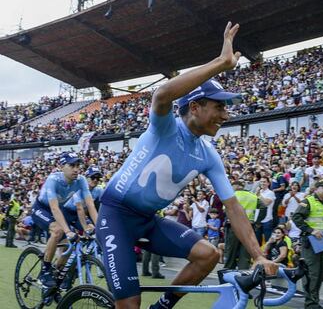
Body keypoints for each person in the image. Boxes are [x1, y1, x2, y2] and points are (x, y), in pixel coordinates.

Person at [95, 22, 276, 309]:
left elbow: (233, 207)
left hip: (147, 219)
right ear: (195, 107)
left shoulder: (208, 154)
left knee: (209, 255)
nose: (225, 115)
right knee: (129, 305)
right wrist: (220, 63)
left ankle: (163, 306)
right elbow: (161, 95)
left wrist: (258, 255)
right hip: (115, 216)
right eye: (219, 107)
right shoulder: (166, 128)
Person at [32, 152, 98, 287]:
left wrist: (99, 227)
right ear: (62, 166)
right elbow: (55, 208)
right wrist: (68, 231)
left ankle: (56, 277)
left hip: (57, 210)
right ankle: (45, 270)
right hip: (42, 208)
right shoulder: (53, 180)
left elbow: (90, 205)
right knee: (58, 230)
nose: (76, 169)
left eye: (78, 165)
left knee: (69, 246)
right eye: (72, 165)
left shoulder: (81, 180)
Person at [292, 180, 323, 309]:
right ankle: (310, 304)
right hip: (310, 241)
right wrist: (311, 230)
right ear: (316, 189)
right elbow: (296, 217)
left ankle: (314, 302)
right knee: (312, 273)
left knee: (320, 273)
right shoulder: (308, 201)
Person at [224, 180, 265, 270]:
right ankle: (243, 275)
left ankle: (227, 275)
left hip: (234, 227)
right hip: (248, 227)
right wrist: (257, 222)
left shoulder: (231, 196)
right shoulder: (253, 197)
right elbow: (264, 207)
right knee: (245, 253)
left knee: (231, 252)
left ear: (236, 186)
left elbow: (225, 209)